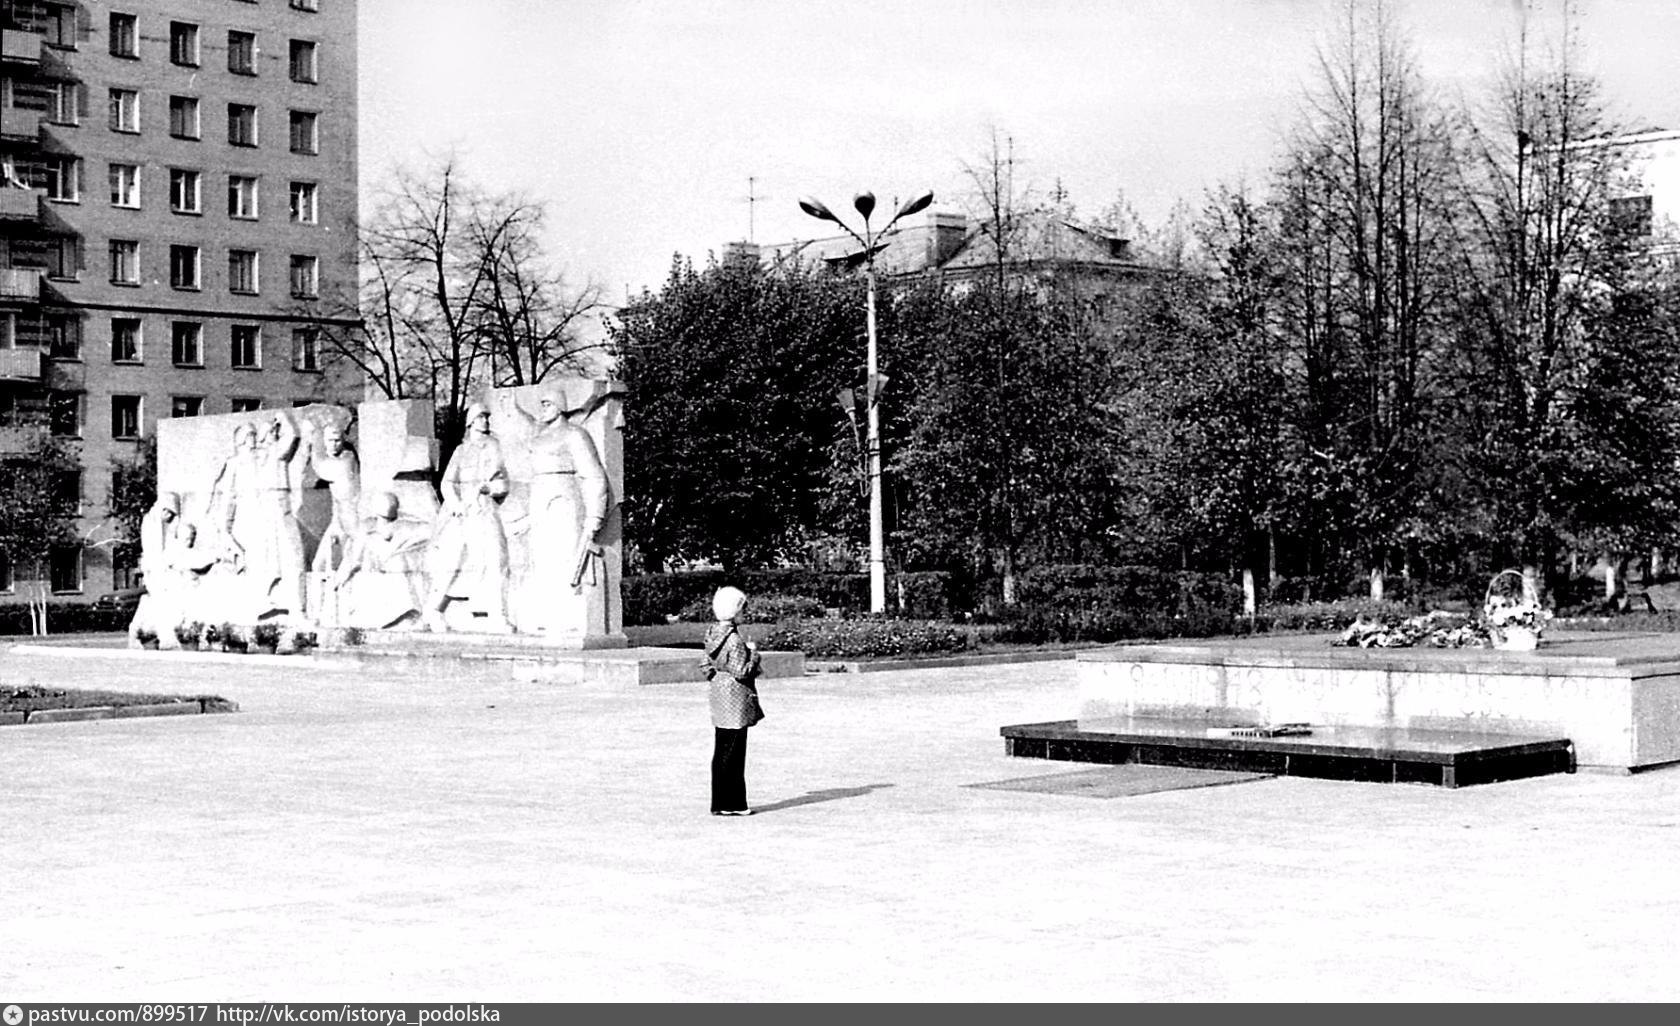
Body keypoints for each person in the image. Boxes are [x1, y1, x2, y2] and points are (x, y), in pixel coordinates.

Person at [509, 389, 612, 631]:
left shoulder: (575, 435)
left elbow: (594, 476)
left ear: (559, 406)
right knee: (540, 559)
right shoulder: (539, 437)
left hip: (564, 498)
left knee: (565, 557)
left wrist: (595, 515)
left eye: (547, 404)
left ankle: (568, 620)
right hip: (539, 498)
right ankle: (545, 617)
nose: (543, 409)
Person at [424, 401, 511, 632]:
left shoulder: (495, 447)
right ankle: (434, 610)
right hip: (462, 515)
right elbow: (447, 482)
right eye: (481, 417)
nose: (486, 421)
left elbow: (503, 482)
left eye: (487, 417)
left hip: (486, 510)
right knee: (453, 563)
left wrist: (490, 488)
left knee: (496, 560)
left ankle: (497, 614)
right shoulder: (462, 450)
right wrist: (456, 504)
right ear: (471, 421)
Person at [698, 586, 764, 816]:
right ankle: (734, 803)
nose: (745, 612)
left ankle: (719, 801)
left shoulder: (713, 633)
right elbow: (741, 671)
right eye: (743, 608)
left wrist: (717, 676)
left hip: (719, 694)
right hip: (735, 699)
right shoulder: (734, 639)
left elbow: (705, 664)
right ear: (735, 609)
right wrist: (754, 655)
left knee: (721, 749)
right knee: (735, 752)